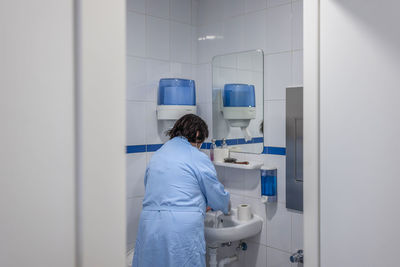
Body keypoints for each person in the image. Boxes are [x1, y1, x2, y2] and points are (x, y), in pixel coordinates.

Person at [132, 114, 230, 267]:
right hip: (180, 229)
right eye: (201, 141)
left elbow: (154, 189)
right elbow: (216, 195)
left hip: (150, 225)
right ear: (198, 134)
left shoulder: (158, 155)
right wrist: (224, 205)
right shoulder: (196, 157)